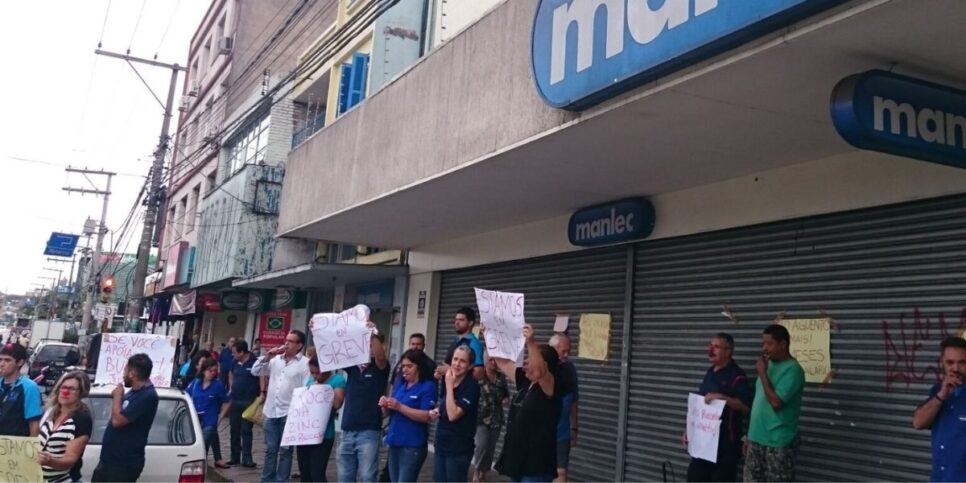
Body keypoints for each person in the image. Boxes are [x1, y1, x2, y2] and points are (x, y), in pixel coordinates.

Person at [681, 333, 752, 482]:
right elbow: (700, 408)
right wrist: (690, 431)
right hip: (703, 443)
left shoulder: (737, 376)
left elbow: (746, 407)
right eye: (710, 345)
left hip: (726, 446)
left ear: (728, 351)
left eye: (716, 347)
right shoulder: (710, 372)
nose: (710, 349)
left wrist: (724, 398)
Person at [495, 324, 560, 483]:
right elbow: (502, 363)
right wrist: (491, 334)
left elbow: (539, 371)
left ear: (545, 364)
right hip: (518, 460)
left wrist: (531, 342)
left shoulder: (550, 386)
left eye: (529, 360)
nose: (525, 363)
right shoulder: (525, 382)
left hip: (536, 465)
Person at [743, 324, 805, 483]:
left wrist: (763, 373)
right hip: (757, 439)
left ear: (783, 344)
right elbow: (759, 403)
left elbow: (776, 402)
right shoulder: (767, 364)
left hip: (778, 442)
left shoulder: (793, 369)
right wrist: (749, 436)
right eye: (763, 343)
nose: (765, 348)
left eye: (769, 344)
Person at [251, 330, 311, 482]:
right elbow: (255, 371)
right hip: (271, 410)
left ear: (299, 345)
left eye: (291, 341)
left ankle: (281, 480)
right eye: (286, 340)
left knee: (285, 450)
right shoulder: (276, 360)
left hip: (289, 412)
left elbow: (306, 388)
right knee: (270, 449)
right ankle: (267, 479)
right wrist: (266, 357)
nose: (286, 343)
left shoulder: (304, 364)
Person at [92, 353, 160, 482]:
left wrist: (117, 396)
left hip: (123, 463)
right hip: (109, 459)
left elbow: (117, 421)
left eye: (125, 370)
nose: (123, 375)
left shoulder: (147, 395)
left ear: (132, 373)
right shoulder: (134, 393)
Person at [338, 331, 390, 483]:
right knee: (345, 477)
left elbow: (380, 356)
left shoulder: (380, 367)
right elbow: (332, 354)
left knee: (367, 476)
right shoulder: (352, 367)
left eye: (370, 345)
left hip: (368, 431)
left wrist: (372, 333)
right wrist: (319, 331)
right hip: (347, 430)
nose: (367, 348)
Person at [912, 336, 966, 482]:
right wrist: (941, 396)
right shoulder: (937, 391)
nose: (955, 368)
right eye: (950, 362)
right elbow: (918, 423)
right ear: (942, 362)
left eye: (962, 363)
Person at [381, 349, 438, 482]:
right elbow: (387, 413)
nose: (405, 370)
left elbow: (426, 416)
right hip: (395, 442)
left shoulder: (427, 386)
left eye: (409, 366)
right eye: (403, 366)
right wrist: (385, 405)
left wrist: (400, 407)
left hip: (412, 445)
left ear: (419, 367)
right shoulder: (400, 383)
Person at [430, 345, 480, 482]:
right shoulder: (450, 379)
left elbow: (454, 415)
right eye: (455, 359)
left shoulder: (471, 386)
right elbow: (446, 407)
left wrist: (449, 385)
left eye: (462, 361)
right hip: (441, 445)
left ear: (470, 366)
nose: (457, 364)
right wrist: (437, 411)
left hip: (459, 449)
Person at [297, 355, 347, 482]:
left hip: (324, 434)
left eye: (317, 372)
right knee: (305, 472)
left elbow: (337, 404)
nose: (315, 376)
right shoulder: (310, 381)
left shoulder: (337, 380)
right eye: (312, 373)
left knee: (317, 473)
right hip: (306, 433)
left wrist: (323, 390)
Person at [37, 371, 93, 482]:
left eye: (72, 389)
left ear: (81, 393)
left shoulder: (82, 419)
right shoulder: (51, 412)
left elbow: (70, 459)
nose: (65, 392)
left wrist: (51, 461)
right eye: (63, 387)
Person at [188, 358, 231, 469]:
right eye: (210, 370)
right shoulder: (195, 383)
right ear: (203, 371)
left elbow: (228, 401)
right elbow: (186, 395)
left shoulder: (218, 385)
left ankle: (199, 467)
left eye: (215, 370)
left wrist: (221, 416)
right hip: (195, 419)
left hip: (210, 419)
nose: (213, 373)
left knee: (203, 443)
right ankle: (215, 460)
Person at [472, 354, 508, 483]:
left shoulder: (501, 377)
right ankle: (476, 470)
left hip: (496, 417)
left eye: (496, 360)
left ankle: (483, 471)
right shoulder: (478, 375)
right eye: (491, 360)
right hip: (481, 417)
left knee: (491, 446)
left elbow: (506, 394)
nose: (494, 363)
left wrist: (505, 400)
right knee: (481, 444)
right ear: (485, 360)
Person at [549, 333, 579, 483]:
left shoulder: (570, 370)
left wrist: (574, 426)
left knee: (561, 473)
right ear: (553, 350)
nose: (566, 355)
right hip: (543, 432)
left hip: (562, 432)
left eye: (569, 351)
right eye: (563, 351)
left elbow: (574, 401)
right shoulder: (543, 369)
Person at [0, 342, 43, 436]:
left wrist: (31, 449)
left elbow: (34, 423)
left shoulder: (29, 387)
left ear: (20, 362)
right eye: (0, 359)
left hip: (13, 445)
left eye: (7, 360)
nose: (1, 364)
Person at [228, 339, 259, 468]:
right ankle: (234, 456)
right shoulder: (234, 362)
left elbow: (261, 376)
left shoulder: (254, 361)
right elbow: (230, 373)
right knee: (234, 429)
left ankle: (247, 458)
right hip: (235, 399)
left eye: (234, 352)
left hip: (248, 400)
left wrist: (262, 392)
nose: (233, 355)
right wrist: (231, 387)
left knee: (246, 430)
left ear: (241, 352)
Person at [435, 307, 485, 382]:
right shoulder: (455, 341)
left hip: (464, 391)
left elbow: (478, 374)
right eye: (456, 320)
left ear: (470, 323)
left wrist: (450, 370)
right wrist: (440, 372)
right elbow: (448, 365)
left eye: (461, 320)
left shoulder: (474, 344)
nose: (457, 323)